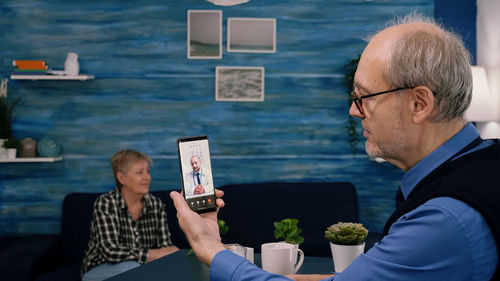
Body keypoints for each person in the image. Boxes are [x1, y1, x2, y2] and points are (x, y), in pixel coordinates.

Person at [170, 13, 499, 281]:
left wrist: (210, 247)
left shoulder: (443, 220)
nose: (354, 111)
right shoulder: (485, 164)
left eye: (363, 97)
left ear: (418, 103)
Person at [81, 149, 179, 281]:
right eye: (140, 172)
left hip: (142, 267)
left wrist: (169, 256)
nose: (147, 177)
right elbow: (111, 252)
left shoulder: (156, 204)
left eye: (147, 171)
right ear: (121, 178)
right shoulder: (106, 204)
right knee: (133, 268)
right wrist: (153, 254)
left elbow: (165, 247)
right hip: (99, 268)